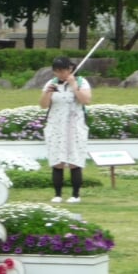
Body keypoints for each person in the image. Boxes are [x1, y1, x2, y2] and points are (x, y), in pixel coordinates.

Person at [39, 56, 92, 203]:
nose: (60, 74)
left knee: (74, 159)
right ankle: (57, 194)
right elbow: (43, 105)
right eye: (57, 71)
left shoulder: (81, 82)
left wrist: (74, 86)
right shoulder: (52, 83)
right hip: (56, 124)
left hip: (74, 125)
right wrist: (47, 93)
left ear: (70, 69)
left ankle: (75, 194)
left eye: (63, 70)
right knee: (57, 159)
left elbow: (86, 100)